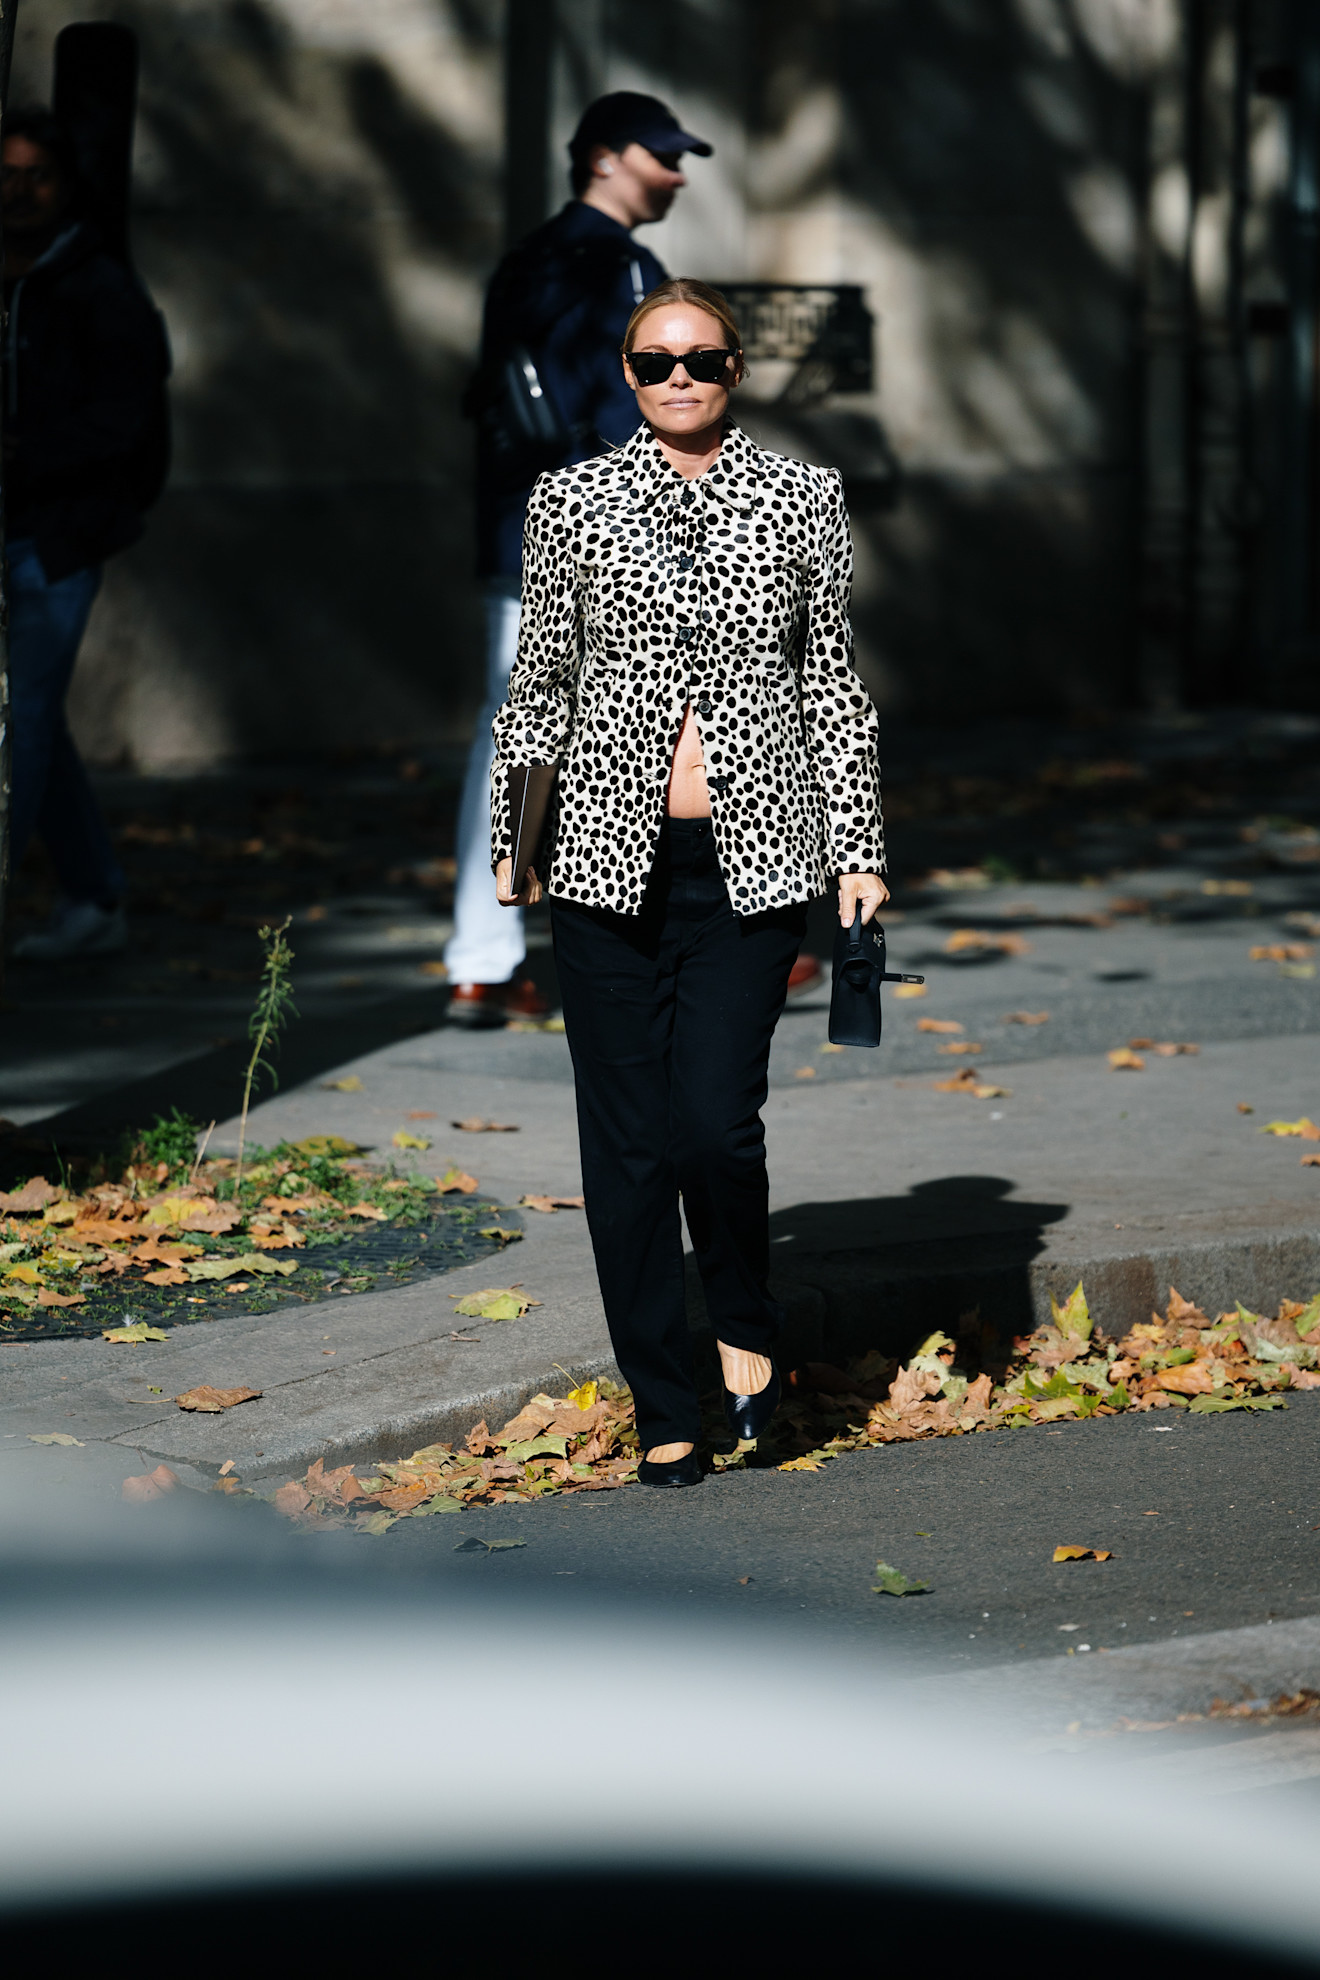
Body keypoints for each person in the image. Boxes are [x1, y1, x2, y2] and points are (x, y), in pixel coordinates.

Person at [491, 279, 887, 1485]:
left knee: (713, 1126)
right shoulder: (569, 500)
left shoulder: (803, 496)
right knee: (626, 1146)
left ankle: (744, 1328)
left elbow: (831, 680)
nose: (680, 380)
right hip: (602, 863)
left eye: (703, 362)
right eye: (657, 361)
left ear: (734, 373)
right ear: (624, 372)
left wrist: (860, 849)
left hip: (754, 862)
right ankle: (666, 1399)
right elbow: (540, 678)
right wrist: (516, 832)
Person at [445, 91, 710, 1027]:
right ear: (604, 157)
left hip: (524, 529)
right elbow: (636, 412)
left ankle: (482, 960)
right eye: (663, 155)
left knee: (515, 740)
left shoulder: (525, 262)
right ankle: (689, 942)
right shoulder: (626, 270)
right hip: (609, 534)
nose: (678, 174)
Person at [2, 106, 167, 962]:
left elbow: (125, 421)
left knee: (20, 717)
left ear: (65, 186)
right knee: (34, 720)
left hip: (53, 540)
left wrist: (26, 457)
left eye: (38, 174)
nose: (20, 191)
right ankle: (94, 893)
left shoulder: (99, 285)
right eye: (8, 173)